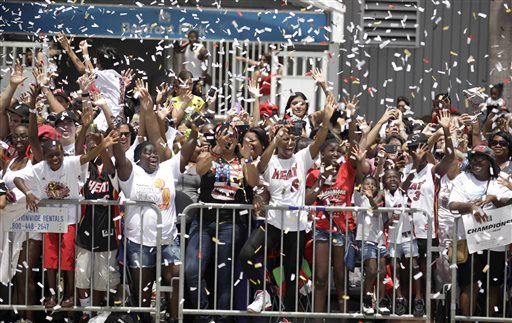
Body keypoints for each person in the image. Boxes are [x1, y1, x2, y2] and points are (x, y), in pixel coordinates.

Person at [239, 95, 335, 315]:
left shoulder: (301, 158)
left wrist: (326, 119)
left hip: (297, 226)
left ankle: (288, 319)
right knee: (246, 254)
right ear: (278, 141)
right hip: (273, 223)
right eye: (287, 139)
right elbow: (260, 167)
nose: (291, 143)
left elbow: (319, 141)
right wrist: (274, 138)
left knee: (291, 276)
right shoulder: (269, 160)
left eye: (293, 139)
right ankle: (264, 293)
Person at [113, 81, 197, 322]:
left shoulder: (167, 169)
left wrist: (195, 133)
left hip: (167, 239)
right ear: (137, 159)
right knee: (142, 294)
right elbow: (120, 160)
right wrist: (116, 141)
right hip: (138, 242)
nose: (152, 155)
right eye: (147, 152)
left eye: (154, 152)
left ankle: (172, 318)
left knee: (175, 276)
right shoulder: (131, 173)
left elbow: (186, 152)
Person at [13, 132, 118, 309]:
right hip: (50, 219)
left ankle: (69, 294)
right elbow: (17, 178)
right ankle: (52, 295)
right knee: (50, 259)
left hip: (69, 219)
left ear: (63, 154)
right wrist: (28, 193)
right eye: (51, 156)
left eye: (58, 155)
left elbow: (87, 156)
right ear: (45, 157)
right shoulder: (40, 168)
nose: (55, 158)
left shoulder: (70, 163)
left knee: (68, 259)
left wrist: (102, 145)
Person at [449, 145, 512, 318]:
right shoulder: (463, 178)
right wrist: (470, 207)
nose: (476, 161)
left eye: (481, 158)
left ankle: (489, 319)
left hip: (496, 240)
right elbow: (452, 204)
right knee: (470, 285)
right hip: (469, 241)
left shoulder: (502, 178)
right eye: (473, 157)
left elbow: (509, 201)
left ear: (490, 161)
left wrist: (493, 198)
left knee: (493, 284)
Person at [402, 109, 454, 316]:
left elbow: (450, 157)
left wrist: (447, 131)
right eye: (414, 148)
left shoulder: (433, 169)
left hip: (427, 229)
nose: (417, 151)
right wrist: (414, 163)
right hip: (406, 227)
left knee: (426, 268)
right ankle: (409, 301)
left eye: (421, 147)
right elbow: (403, 188)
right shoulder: (406, 169)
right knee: (407, 268)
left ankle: (423, 301)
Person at [353, 175, 389, 315]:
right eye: (366, 184)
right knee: (372, 270)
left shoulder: (379, 201)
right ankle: (366, 300)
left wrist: (371, 198)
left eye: (372, 184)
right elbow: (356, 183)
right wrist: (366, 196)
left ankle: (380, 301)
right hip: (365, 239)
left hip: (379, 240)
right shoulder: (359, 199)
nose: (369, 186)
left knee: (382, 271)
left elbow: (377, 212)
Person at [174, 30, 209, 96]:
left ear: (197, 38)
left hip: (197, 79)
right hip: (187, 79)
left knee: (197, 98)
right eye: (190, 37)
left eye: (194, 37)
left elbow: (205, 65)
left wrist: (201, 80)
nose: (193, 39)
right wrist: (174, 38)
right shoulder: (187, 46)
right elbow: (178, 50)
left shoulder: (201, 49)